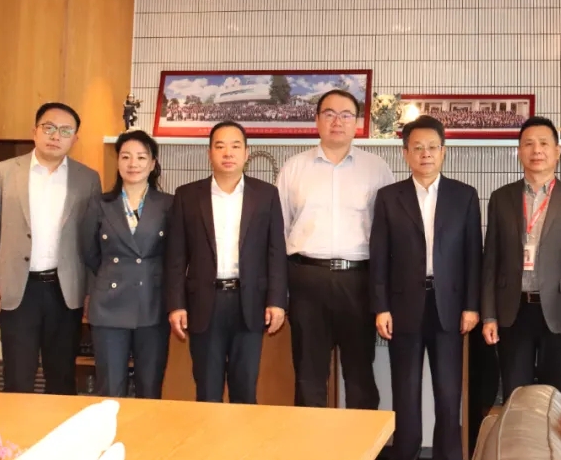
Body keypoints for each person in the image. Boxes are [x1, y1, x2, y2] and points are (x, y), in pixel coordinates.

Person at [369, 115, 481, 460]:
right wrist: (380, 307)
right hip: (403, 307)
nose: (426, 154)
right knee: (405, 391)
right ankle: (406, 452)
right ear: (405, 153)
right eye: (417, 147)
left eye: (432, 147)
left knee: (448, 394)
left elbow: (473, 256)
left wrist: (472, 305)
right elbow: (379, 256)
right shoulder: (389, 197)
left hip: (450, 307)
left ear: (444, 152)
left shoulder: (464, 196)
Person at [276, 89, 395, 409]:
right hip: (306, 280)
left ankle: (364, 440)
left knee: (359, 375)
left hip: (358, 281)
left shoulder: (377, 168)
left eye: (346, 115)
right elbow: (279, 232)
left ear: (357, 123)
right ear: (317, 120)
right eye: (329, 114)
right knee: (308, 376)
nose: (337, 122)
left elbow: (388, 232)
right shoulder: (294, 168)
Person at [0, 102, 102, 394]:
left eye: (65, 130)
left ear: (75, 138)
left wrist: (90, 292)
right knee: (18, 378)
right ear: (35, 131)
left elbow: (93, 241)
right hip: (18, 291)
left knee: (62, 379)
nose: (56, 136)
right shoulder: (4, 172)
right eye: (49, 127)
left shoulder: (88, 178)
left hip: (65, 292)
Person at [164, 121, 288, 404]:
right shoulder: (187, 196)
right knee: (207, 391)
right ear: (209, 153)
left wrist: (277, 301)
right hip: (204, 304)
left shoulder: (266, 194)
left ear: (246, 153)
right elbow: (176, 256)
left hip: (250, 303)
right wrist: (176, 304)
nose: (228, 153)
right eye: (220, 146)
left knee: (245, 389)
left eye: (235, 146)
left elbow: (275, 252)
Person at [481, 116, 561, 401]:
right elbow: (491, 260)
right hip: (513, 309)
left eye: (544, 143)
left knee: (557, 395)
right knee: (515, 393)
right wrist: (489, 315)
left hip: (559, 311)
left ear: (557, 151)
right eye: (528, 144)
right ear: (519, 151)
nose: (536, 150)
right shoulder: (501, 198)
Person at [80, 130, 173, 398]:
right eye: (126, 157)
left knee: (150, 388)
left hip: (153, 304)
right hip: (109, 305)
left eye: (141, 157)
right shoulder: (99, 204)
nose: (133, 164)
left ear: (153, 163)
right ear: (118, 161)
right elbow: (89, 252)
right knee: (109, 388)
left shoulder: (169, 204)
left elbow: (174, 256)